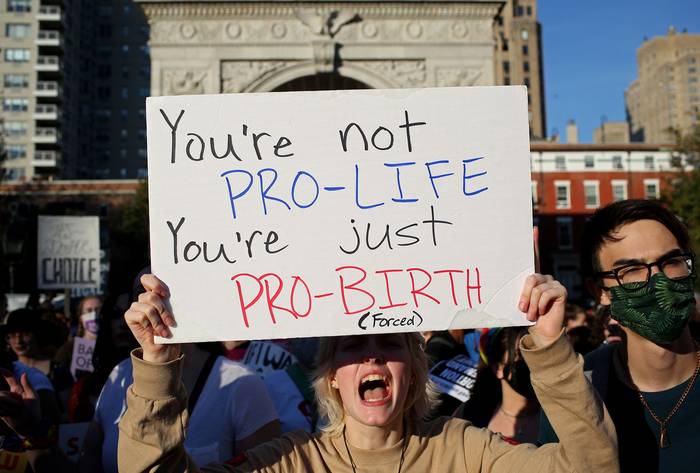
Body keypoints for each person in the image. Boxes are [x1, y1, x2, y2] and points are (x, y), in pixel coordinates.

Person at [116, 273, 618, 472]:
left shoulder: (465, 450)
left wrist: (550, 345)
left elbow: (592, 467)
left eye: (390, 345)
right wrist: (158, 369)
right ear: (331, 373)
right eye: (354, 346)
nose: (373, 357)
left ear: (415, 370)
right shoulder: (291, 461)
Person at [539, 199, 699, 472]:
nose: (658, 281)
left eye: (671, 261)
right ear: (600, 290)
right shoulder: (577, 389)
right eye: (631, 270)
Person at [454, 327, 540, 444]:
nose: (534, 361)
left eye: (539, 353)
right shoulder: (470, 413)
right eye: (522, 354)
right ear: (498, 368)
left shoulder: (559, 416)